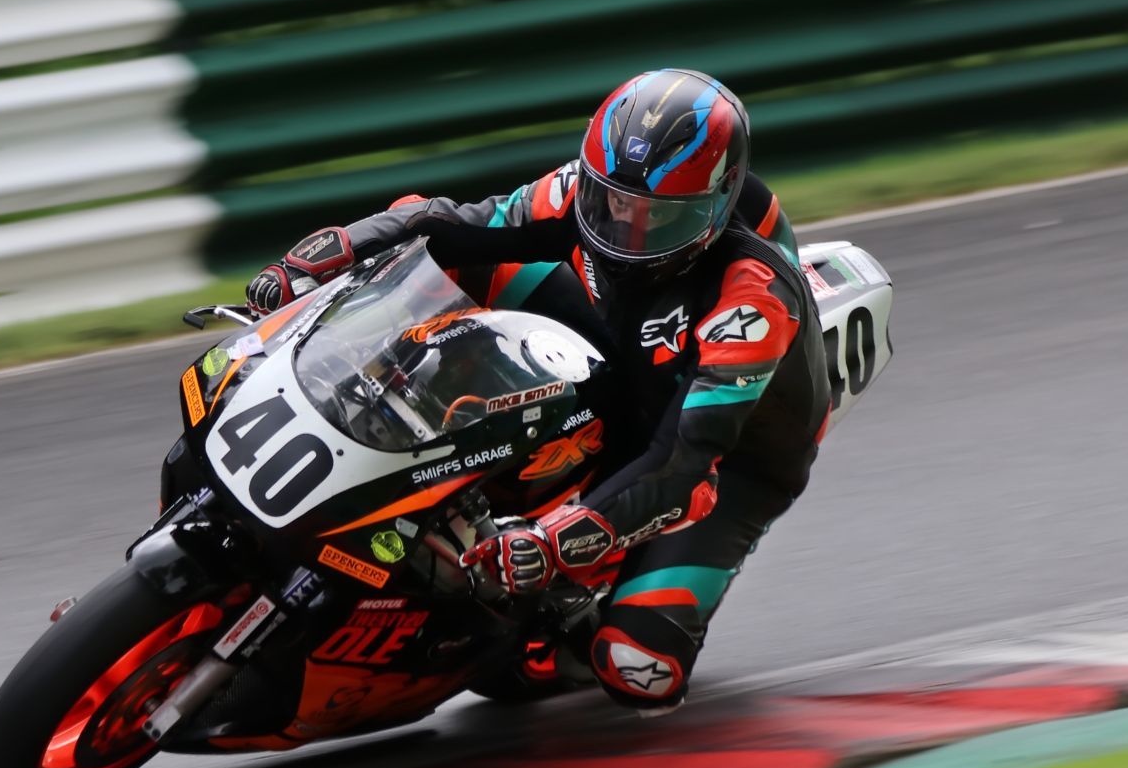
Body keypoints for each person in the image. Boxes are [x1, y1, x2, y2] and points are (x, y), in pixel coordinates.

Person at [246, 69, 830, 717]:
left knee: (639, 666)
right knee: (455, 258)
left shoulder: (752, 302)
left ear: (717, 211)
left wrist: (554, 541)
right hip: (610, 342)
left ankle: (568, 628)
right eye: (614, 204)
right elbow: (450, 223)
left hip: (726, 457)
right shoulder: (581, 194)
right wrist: (331, 253)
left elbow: (683, 459)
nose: (626, 231)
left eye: (660, 220)